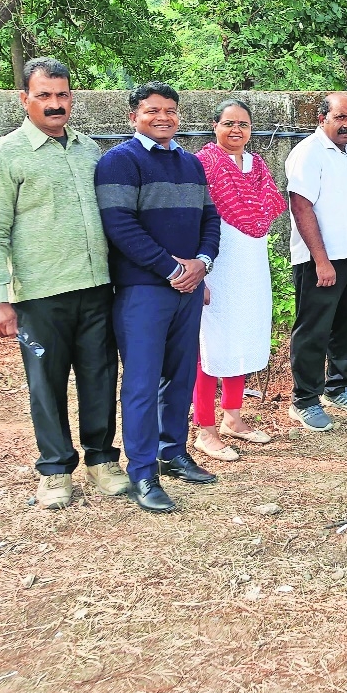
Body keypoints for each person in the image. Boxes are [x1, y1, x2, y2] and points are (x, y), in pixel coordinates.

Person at [0, 57, 127, 510]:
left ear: (71, 99)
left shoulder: (90, 151)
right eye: (44, 95)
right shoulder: (3, 155)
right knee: (47, 382)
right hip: (40, 294)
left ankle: (101, 461)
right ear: (25, 100)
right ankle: (56, 468)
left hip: (97, 287)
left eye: (62, 95)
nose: (54, 104)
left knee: (100, 376)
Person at [95, 82, 221, 513]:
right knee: (143, 383)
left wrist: (202, 263)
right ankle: (143, 471)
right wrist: (173, 269)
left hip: (187, 289)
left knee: (181, 376)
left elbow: (210, 218)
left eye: (170, 110)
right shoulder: (119, 162)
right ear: (134, 116)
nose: (163, 117)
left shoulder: (190, 163)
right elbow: (120, 226)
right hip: (144, 290)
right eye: (152, 110)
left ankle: (173, 451)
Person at [191, 99, 288, 461]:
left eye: (244, 124)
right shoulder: (203, 164)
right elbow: (196, 217)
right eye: (229, 123)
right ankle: (205, 429)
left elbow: (265, 210)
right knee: (210, 345)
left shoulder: (257, 164)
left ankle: (233, 419)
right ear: (214, 126)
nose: (236, 130)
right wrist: (199, 273)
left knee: (243, 338)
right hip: (217, 263)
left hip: (250, 265)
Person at [285, 92, 347, 431]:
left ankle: (338, 387)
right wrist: (321, 260)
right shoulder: (308, 153)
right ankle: (305, 399)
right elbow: (301, 206)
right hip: (321, 260)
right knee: (314, 329)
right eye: (341, 118)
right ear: (321, 118)